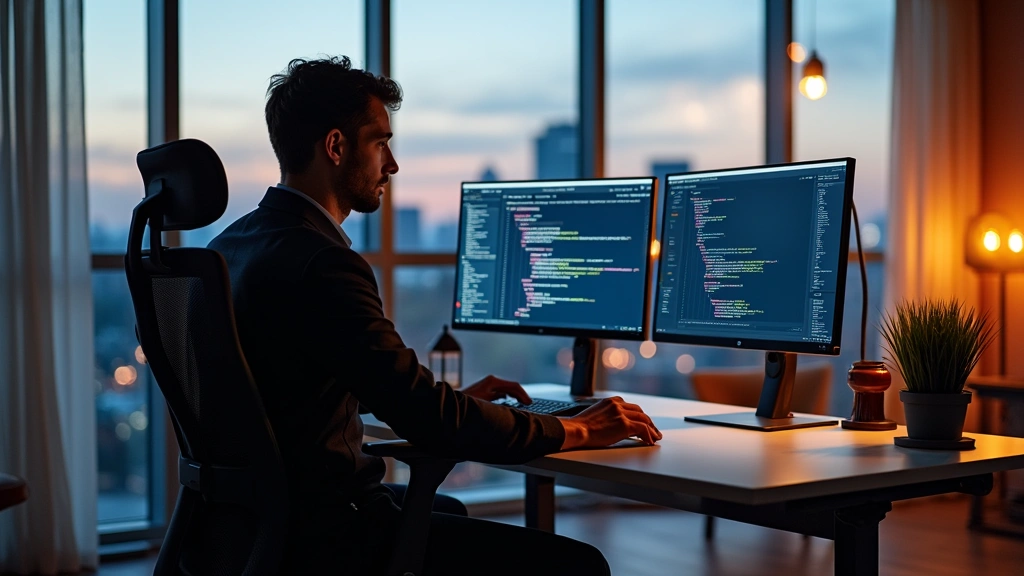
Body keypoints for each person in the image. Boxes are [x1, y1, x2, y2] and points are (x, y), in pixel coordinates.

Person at [208, 55, 662, 575]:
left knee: (446, 511)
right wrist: (579, 430)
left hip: (244, 525)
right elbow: (429, 419)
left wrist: (449, 402)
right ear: (335, 147)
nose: (393, 165)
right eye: (380, 142)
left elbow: (285, 399)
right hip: (330, 532)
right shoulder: (323, 263)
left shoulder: (231, 248)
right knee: (580, 565)